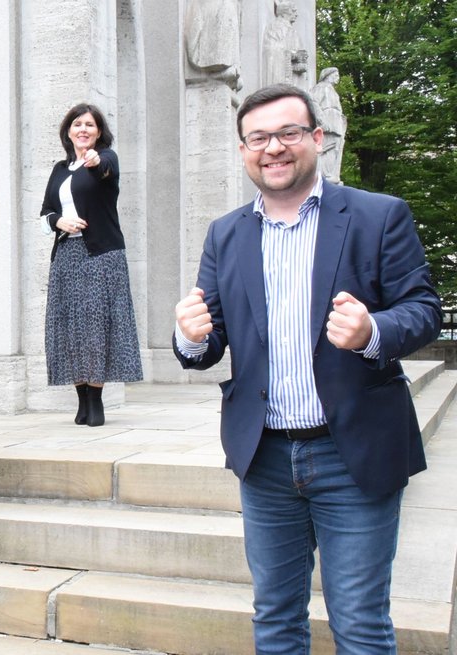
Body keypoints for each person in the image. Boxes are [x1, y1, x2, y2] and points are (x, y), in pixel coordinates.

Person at [173, 84, 441, 653]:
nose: (273, 147)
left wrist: (373, 332)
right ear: (243, 150)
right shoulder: (226, 233)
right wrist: (190, 336)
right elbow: (210, 338)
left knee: (361, 623)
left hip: (354, 453)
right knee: (274, 619)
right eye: (258, 138)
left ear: (317, 138)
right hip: (264, 456)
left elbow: (423, 310)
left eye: (288, 133)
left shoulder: (377, 215)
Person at [40, 104, 142, 427]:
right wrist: (59, 222)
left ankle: (96, 400)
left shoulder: (106, 158)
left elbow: (103, 170)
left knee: (96, 325)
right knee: (70, 326)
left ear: (98, 132)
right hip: (66, 255)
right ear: (68, 131)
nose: (83, 129)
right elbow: (45, 213)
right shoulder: (59, 169)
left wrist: (94, 161)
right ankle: (81, 398)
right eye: (77, 124)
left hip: (101, 255)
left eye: (89, 125)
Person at [311, 67, 347, 184]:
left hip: (335, 123)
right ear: (328, 76)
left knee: (335, 148)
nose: (338, 78)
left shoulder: (332, 90)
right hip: (328, 122)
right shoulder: (321, 87)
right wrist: (321, 120)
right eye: (335, 75)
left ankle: (331, 175)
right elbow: (313, 102)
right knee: (326, 148)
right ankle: (324, 175)